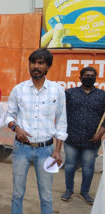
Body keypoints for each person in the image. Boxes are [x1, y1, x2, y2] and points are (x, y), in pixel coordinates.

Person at [5, 48, 67, 214]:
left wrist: (58, 151)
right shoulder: (18, 89)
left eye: (40, 63)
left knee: (46, 195)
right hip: (21, 149)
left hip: (46, 150)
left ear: (48, 67)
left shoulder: (57, 90)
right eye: (33, 62)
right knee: (17, 193)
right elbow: (8, 116)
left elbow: (61, 122)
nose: (35, 66)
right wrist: (15, 127)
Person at [61, 66, 105, 205]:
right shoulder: (69, 93)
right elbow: (59, 111)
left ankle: (84, 192)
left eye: (92, 75)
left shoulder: (102, 95)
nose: (89, 77)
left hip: (92, 140)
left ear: (95, 78)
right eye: (86, 75)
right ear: (80, 78)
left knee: (88, 166)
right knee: (69, 165)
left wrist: (101, 132)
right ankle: (69, 191)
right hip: (71, 137)